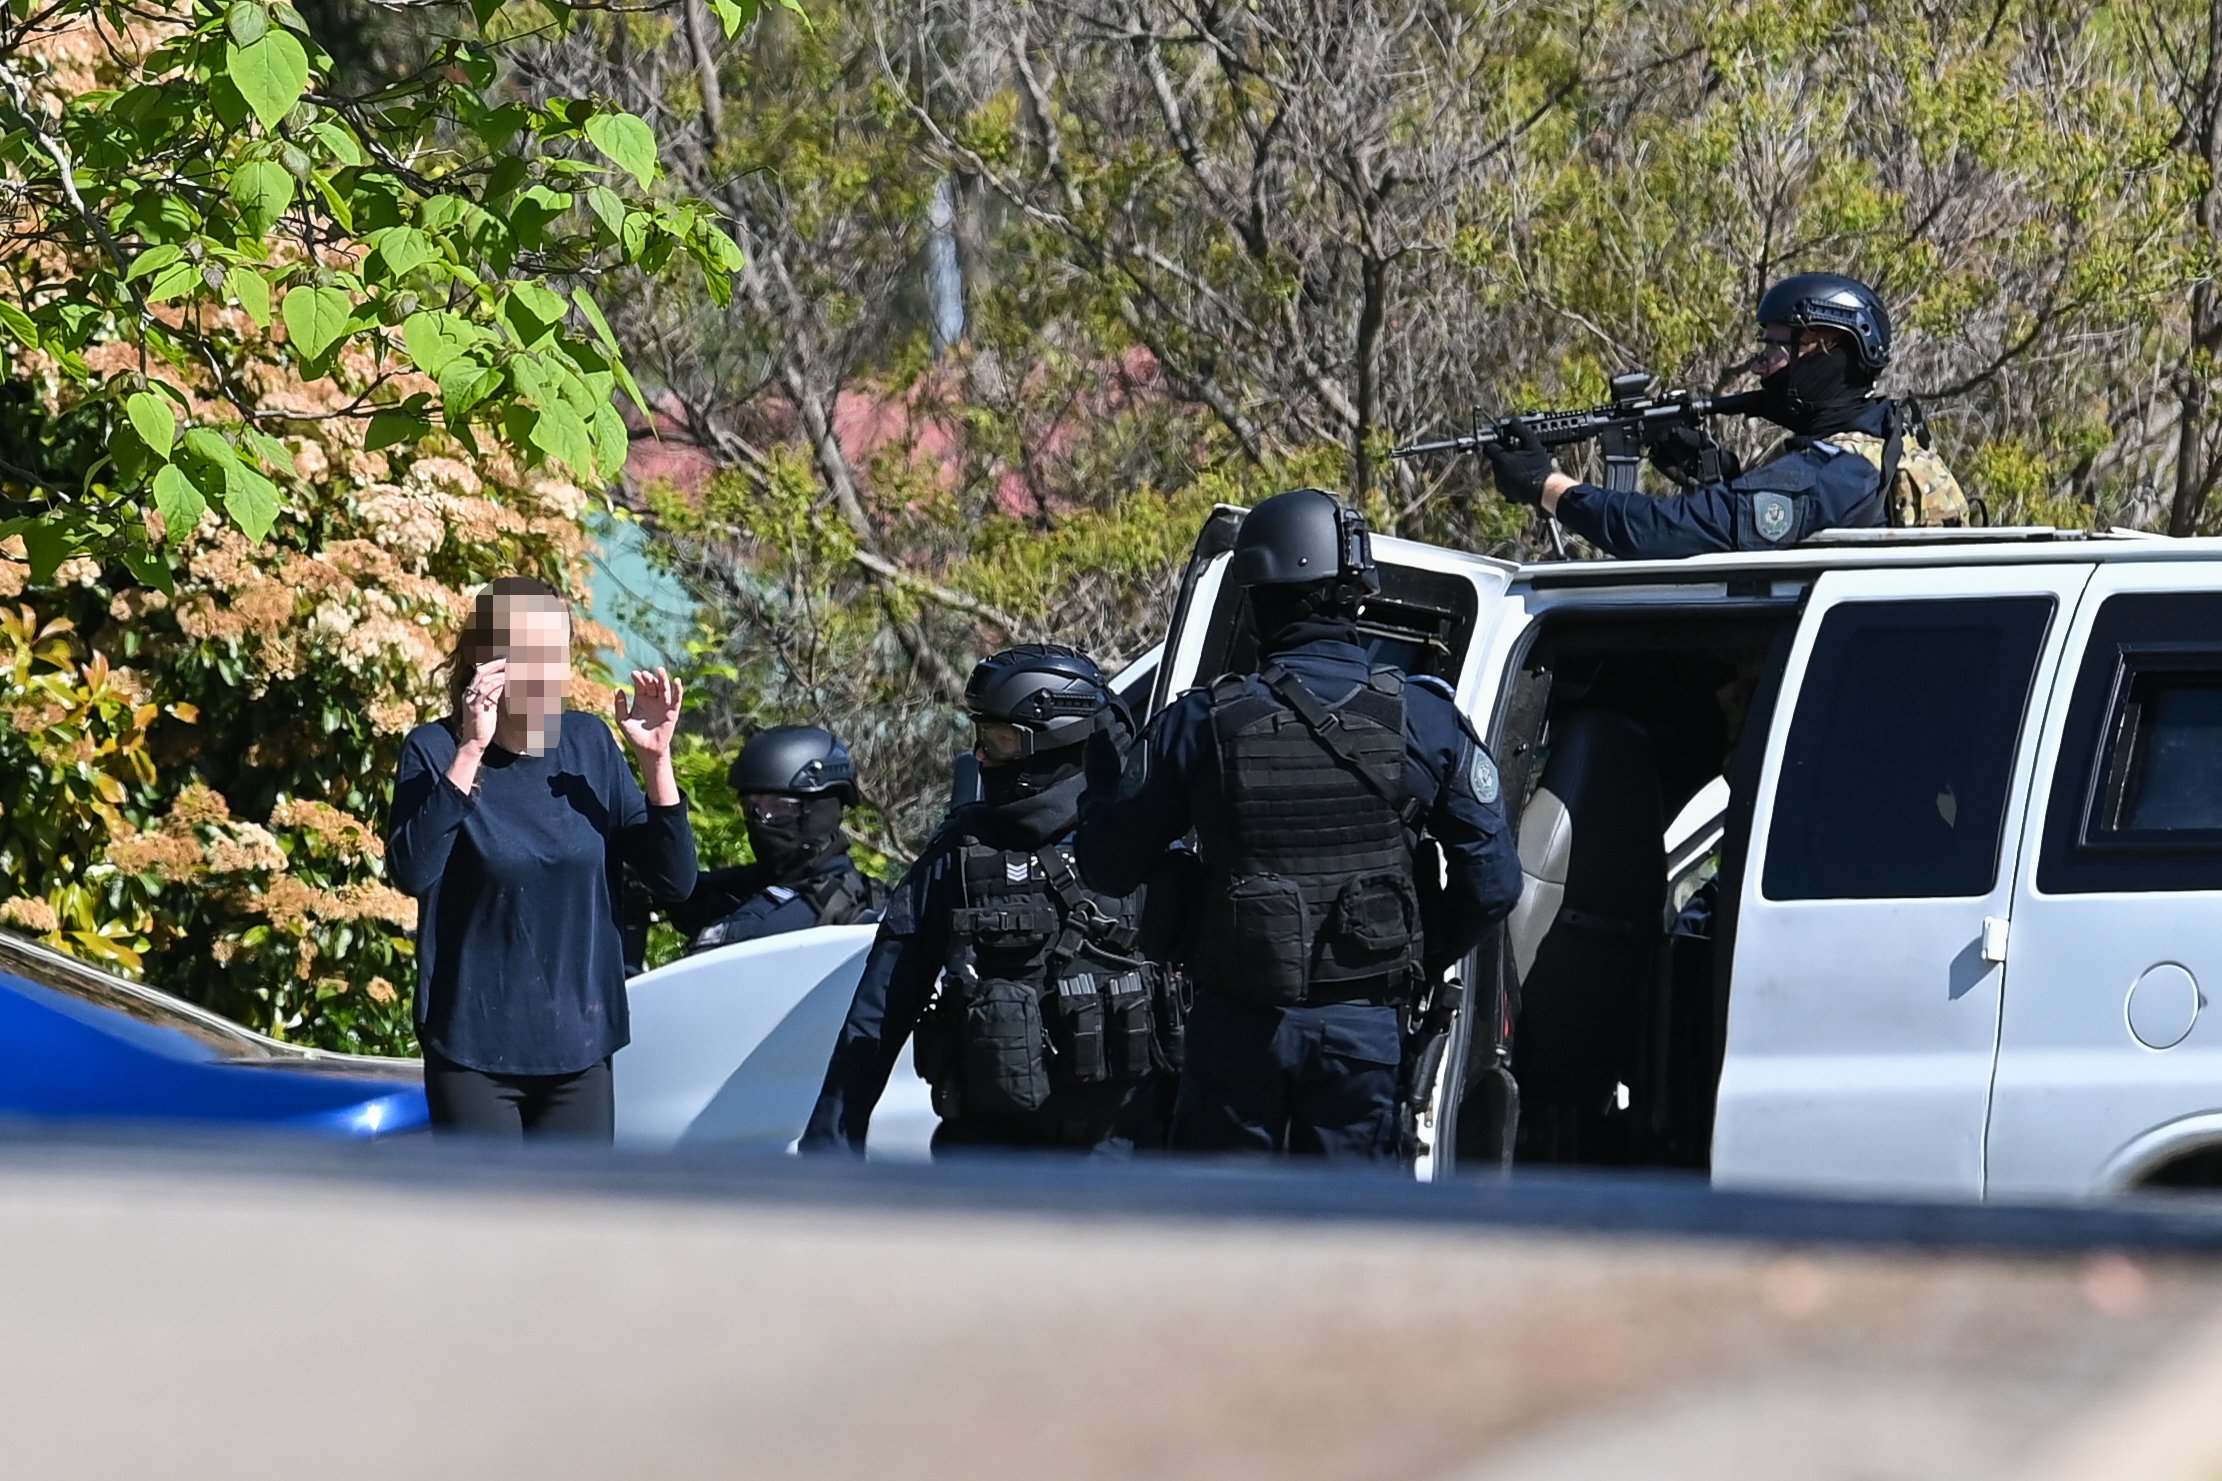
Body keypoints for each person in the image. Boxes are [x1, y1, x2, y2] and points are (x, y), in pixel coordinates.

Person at [1076, 489, 1523, 1160]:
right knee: (1352, 1242)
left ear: (1256, 598)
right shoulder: (1425, 720)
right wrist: (1415, 955)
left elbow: (1106, 865)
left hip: (1234, 1033)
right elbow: (1493, 883)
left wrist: (1101, 781)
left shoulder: (1200, 724)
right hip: (1364, 1032)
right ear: (1357, 596)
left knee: (1228, 1237)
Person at [799, 645, 1187, 1156]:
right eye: (981, 738)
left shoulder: (1148, 852)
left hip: (1122, 1158)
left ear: (1057, 744)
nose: (980, 757)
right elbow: (879, 1011)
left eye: (1000, 741)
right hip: (988, 1161)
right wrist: (830, 1145)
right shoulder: (957, 853)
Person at [386, 576, 698, 1140]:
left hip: (579, 1044)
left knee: (576, 1225)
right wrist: (471, 751)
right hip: (473, 1047)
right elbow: (412, 870)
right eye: (532, 656)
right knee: (492, 1224)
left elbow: (674, 880)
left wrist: (656, 765)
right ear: (490, 664)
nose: (551, 672)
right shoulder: (434, 752)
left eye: (559, 654)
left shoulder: (589, 745)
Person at [1486, 272, 1972, 559]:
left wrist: (1547, 486)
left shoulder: (1837, 472)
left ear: (1830, 351)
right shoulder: (1883, 437)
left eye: (1778, 346)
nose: (1761, 365)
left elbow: (1664, 534)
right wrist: (1721, 477)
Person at [665, 726, 882, 956]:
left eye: (781, 807)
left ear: (823, 808)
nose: (762, 821)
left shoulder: (763, 927)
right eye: (751, 808)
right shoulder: (859, 889)